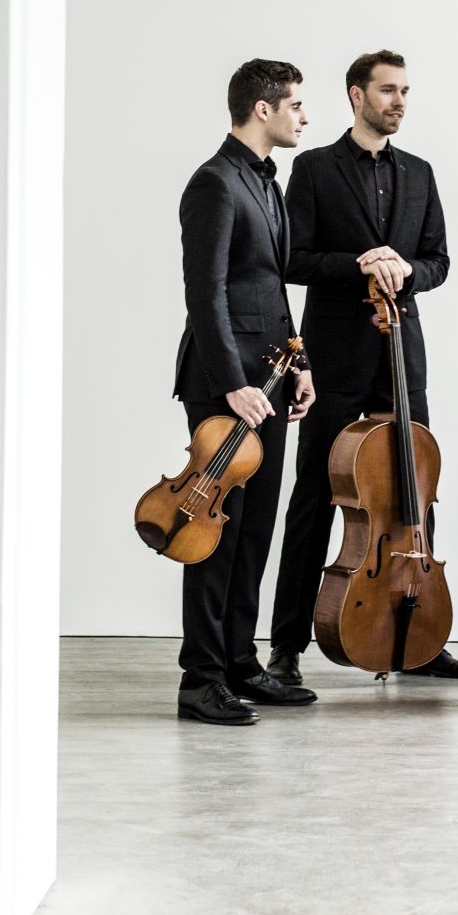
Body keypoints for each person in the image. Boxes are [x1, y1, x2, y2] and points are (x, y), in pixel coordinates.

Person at [266, 50, 458, 686]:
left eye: (405, 91)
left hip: (401, 351)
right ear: (356, 95)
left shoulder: (420, 172)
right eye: (388, 90)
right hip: (335, 353)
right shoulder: (313, 167)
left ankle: (420, 638)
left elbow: (439, 261)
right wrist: (361, 261)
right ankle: (286, 647)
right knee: (315, 495)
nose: (399, 102)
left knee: (413, 493)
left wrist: (407, 269)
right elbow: (293, 259)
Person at [172, 59, 317, 725]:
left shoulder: (265, 181)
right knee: (216, 534)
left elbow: (268, 288)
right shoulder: (213, 183)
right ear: (264, 109)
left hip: (272, 379)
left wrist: (299, 365)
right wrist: (232, 384)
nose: (303, 116)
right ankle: (200, 679)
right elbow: (204, 295)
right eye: (296, 105)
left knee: (255, 530)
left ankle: (238, 662)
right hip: (225, 385)